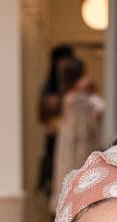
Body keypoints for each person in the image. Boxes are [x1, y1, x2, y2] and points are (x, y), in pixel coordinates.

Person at [49, 58, 105, 214]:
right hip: (80, 150)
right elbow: (89, 128)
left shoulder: (66, 98)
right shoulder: (80, 100)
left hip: (68, 150)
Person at [38, 44, 75, 197]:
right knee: (56, 183)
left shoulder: (79, 87)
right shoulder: (49, 86)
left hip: (75, 140)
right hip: (55, 138)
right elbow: (43, 114)